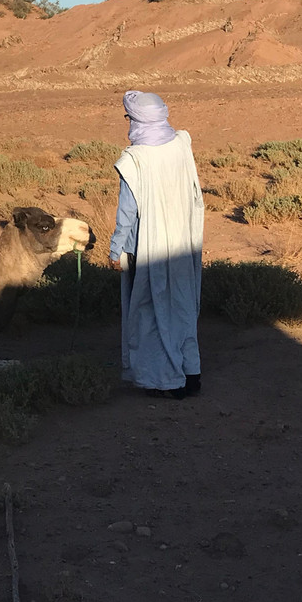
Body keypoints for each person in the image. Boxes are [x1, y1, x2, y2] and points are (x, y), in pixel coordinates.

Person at [108, 91, 204, 400]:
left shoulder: (135, 160)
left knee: (150, 314)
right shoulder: (180, 144)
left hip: (147, 249)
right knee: (182, 308)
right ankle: (191, 375)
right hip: (182, 242)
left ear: (136, 120)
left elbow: (127, 213)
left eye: (129, 117)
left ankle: (166, 381)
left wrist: (114, 250)